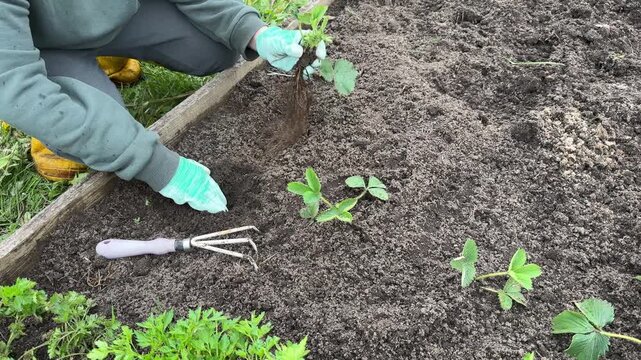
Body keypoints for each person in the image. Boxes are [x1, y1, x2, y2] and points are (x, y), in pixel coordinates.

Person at [0, 0, 309, 214]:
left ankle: (106, 53)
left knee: (218, 46)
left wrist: (250, 30)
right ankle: (64, 102)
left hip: (122, 12)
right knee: (106, 136)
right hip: (41, 44)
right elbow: (15, 86)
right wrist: (156, 165)